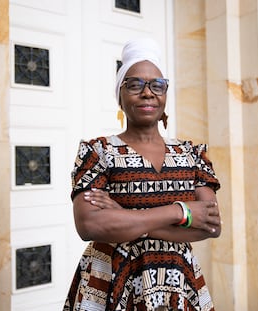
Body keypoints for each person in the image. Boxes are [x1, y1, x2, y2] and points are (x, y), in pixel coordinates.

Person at [63, 37, 221, 311]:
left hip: (178, 283)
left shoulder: (191, 154)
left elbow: (211, 226)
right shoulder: (97, 152)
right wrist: (179, 212)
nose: (147, 92)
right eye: (135, 84)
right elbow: (88, 225)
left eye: (157, 85)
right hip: (110, 281)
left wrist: (124, 216)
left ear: (165, 95)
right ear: (120, 96)